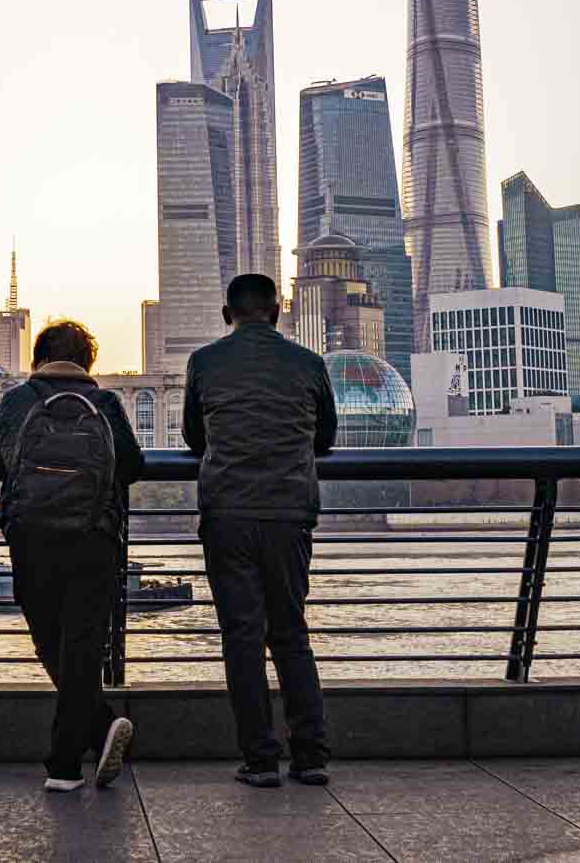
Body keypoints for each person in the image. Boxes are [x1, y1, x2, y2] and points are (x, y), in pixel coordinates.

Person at [183, 273, 338, 789]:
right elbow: (326, 437)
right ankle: (311, 757)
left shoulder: (204, 363)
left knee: (242, 639)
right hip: (289, 512)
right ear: (276, 312)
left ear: (228, 315)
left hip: (227, 512)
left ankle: (259, 760)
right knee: (291, 633)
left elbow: (192, 436)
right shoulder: (310, 364)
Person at [0, 318, 144, 792]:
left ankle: (87, 739)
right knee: (84, 645)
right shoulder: (105, 403)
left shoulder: (16, 401)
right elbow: (132, 465)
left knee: (48, 639)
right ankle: (71, 757)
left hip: (31, 536)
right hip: (93, 537)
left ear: (38, 360)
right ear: (88, 362)